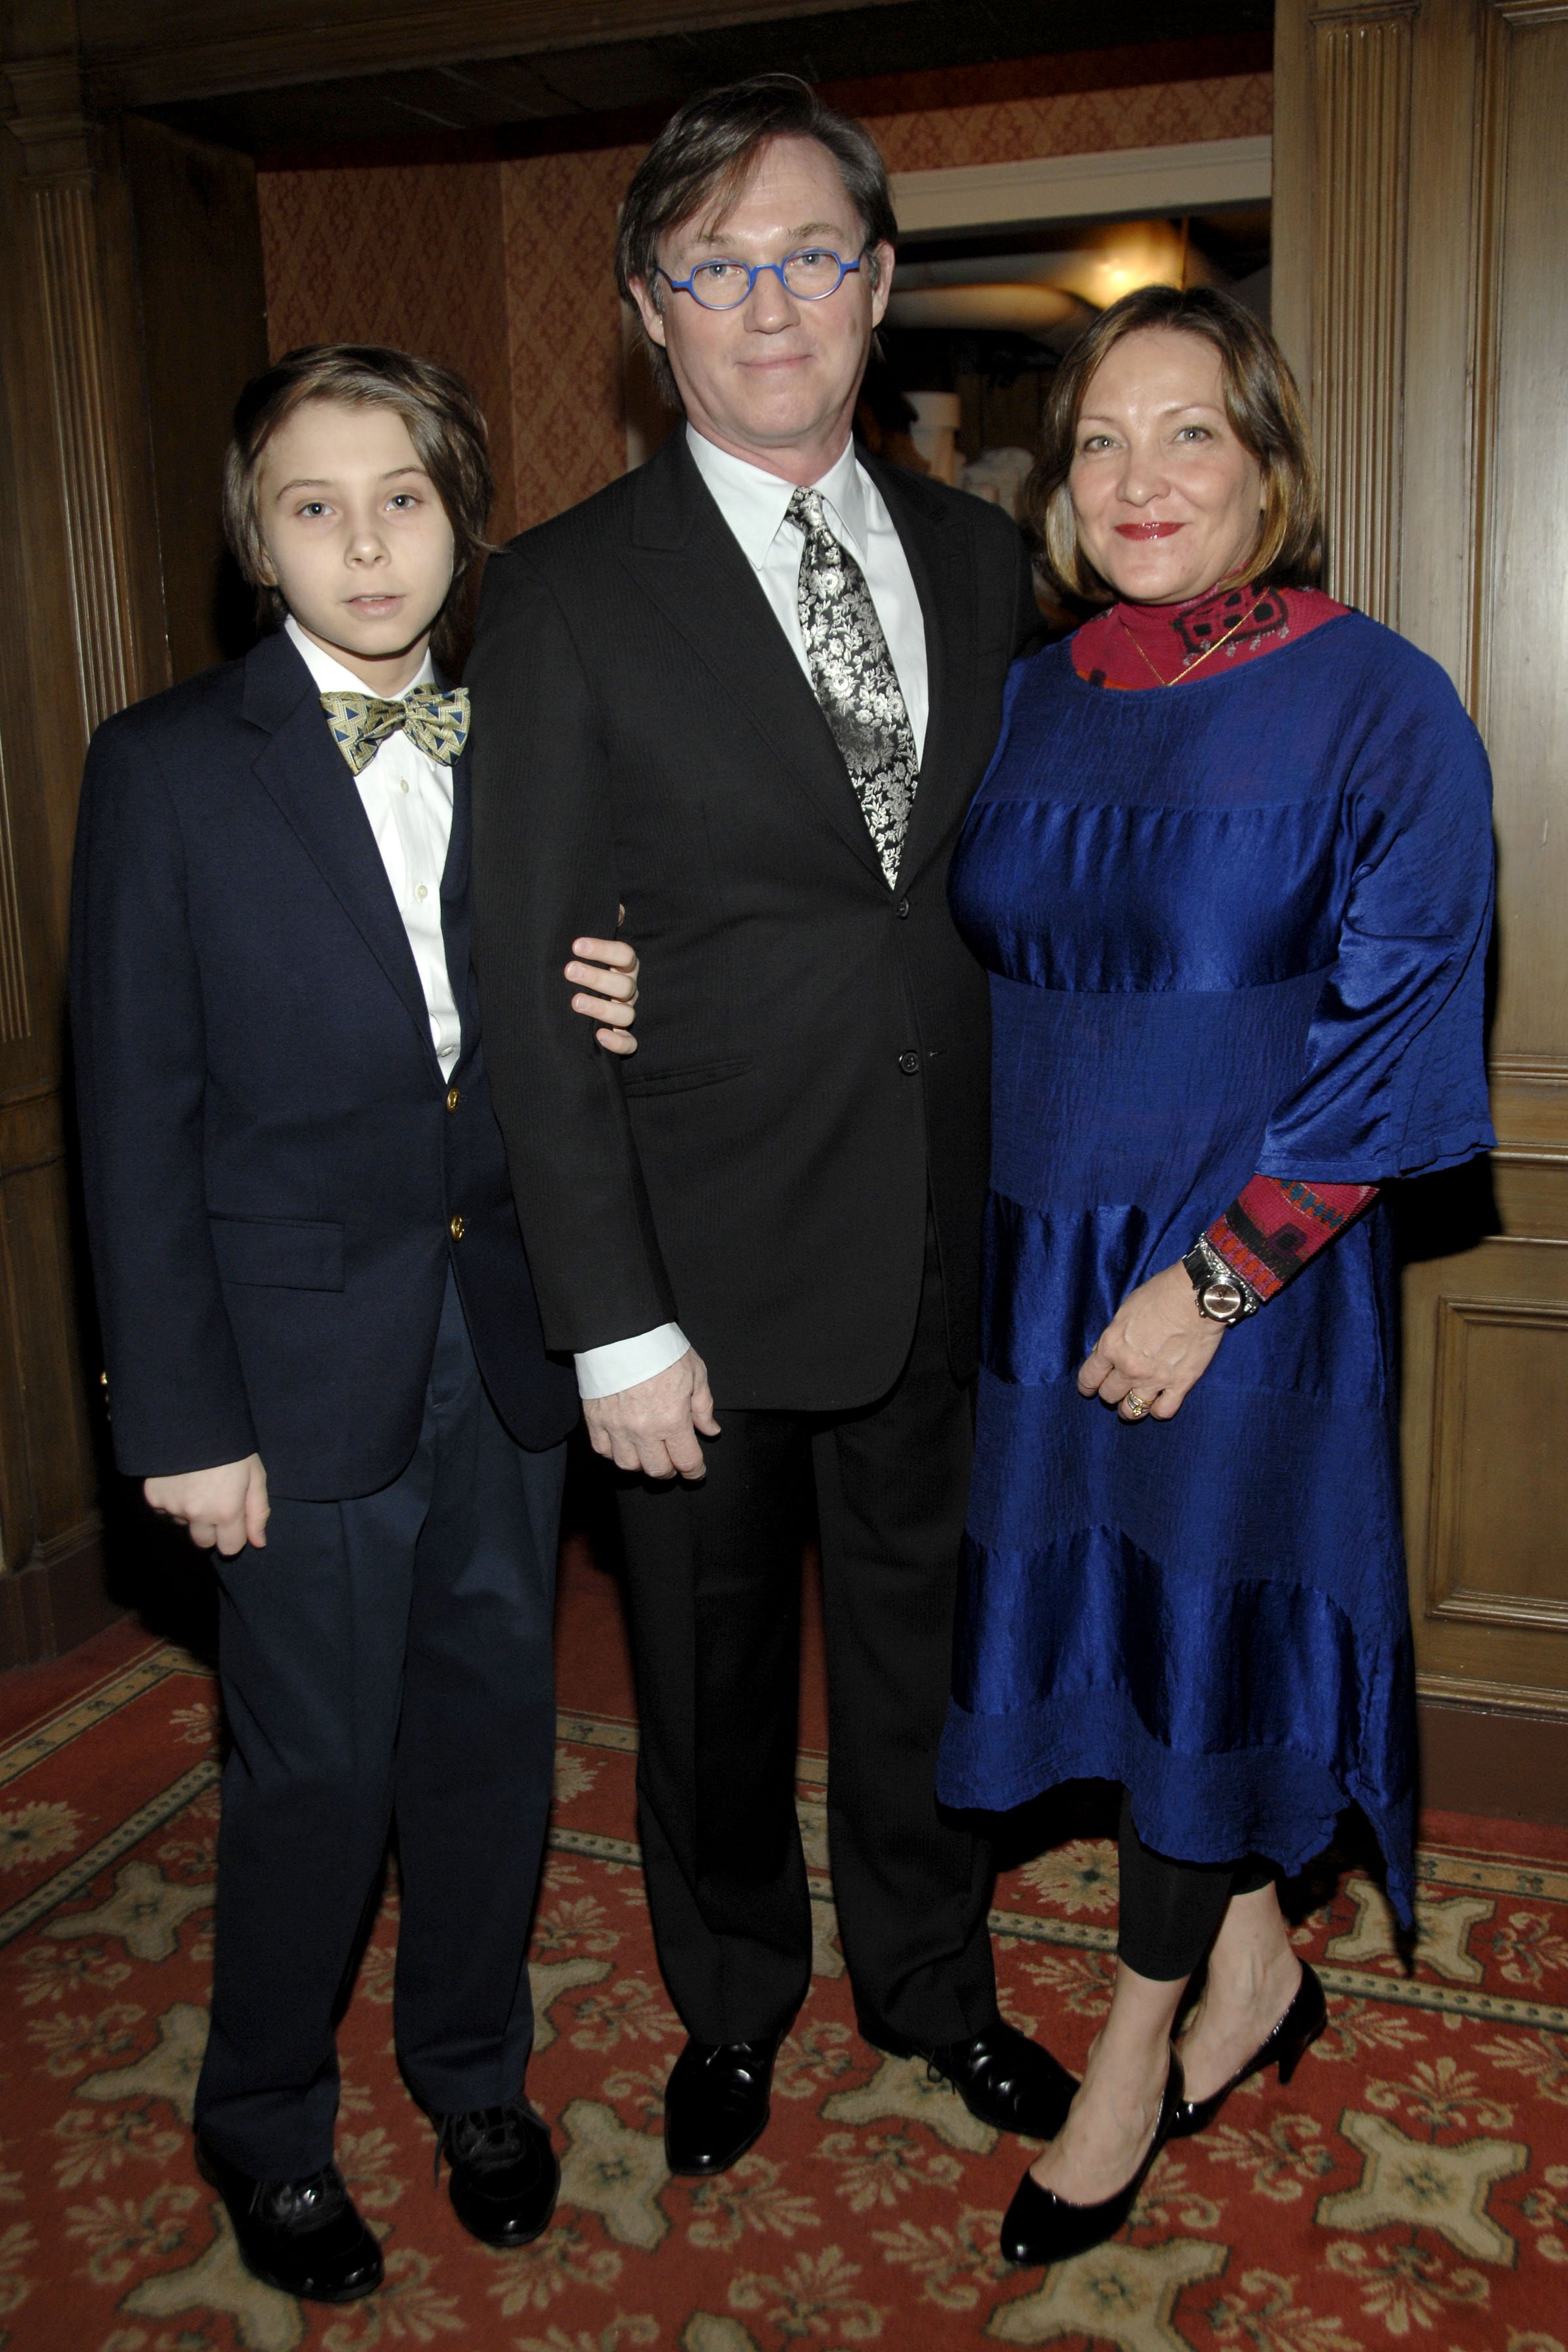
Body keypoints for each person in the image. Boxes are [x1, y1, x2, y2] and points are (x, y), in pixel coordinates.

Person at [468, 74, 1075, 2178]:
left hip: (945, 1243)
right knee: (713, 1694)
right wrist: (611, 1320)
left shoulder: (986, 561)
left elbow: (1005, 890)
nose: (771, 304)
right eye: (718, 267)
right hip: (697, 1282)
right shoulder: (557, 594)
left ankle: (934, 1980)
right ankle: (733, 1996)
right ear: (652, 311)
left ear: (883, 282)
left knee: (931, 1661)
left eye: (812, 253)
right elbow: (527, 995)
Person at [70, 345, 638, 2304]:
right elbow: (131, 1121)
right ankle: (268, 2121)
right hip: (287, 1382)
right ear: (256, 539)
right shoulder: (160, 769)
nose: (365, 539)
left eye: (401, 494)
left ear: (461, 515)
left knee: (492, 1743)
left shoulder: (528, 739)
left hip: (502, 1348)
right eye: (313, 503)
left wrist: (623, 1014)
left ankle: (474, 2072)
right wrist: (177, 1416)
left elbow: (552, 1044)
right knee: (309, 1774)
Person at [934, 284, 1495, 2265]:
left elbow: (1404, 1034)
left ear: (1268, 463)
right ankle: (1257, 1964)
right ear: (1059, 485)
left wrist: (1220, 1283)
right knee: (1153, 1646)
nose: (1140, 477)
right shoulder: (1035, 691)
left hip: (1239, 1273)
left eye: (1189, 435)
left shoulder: (1378, 698)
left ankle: (1133, 2052)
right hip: (1033, 1257)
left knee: (1203, 1638)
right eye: (1099, 440)